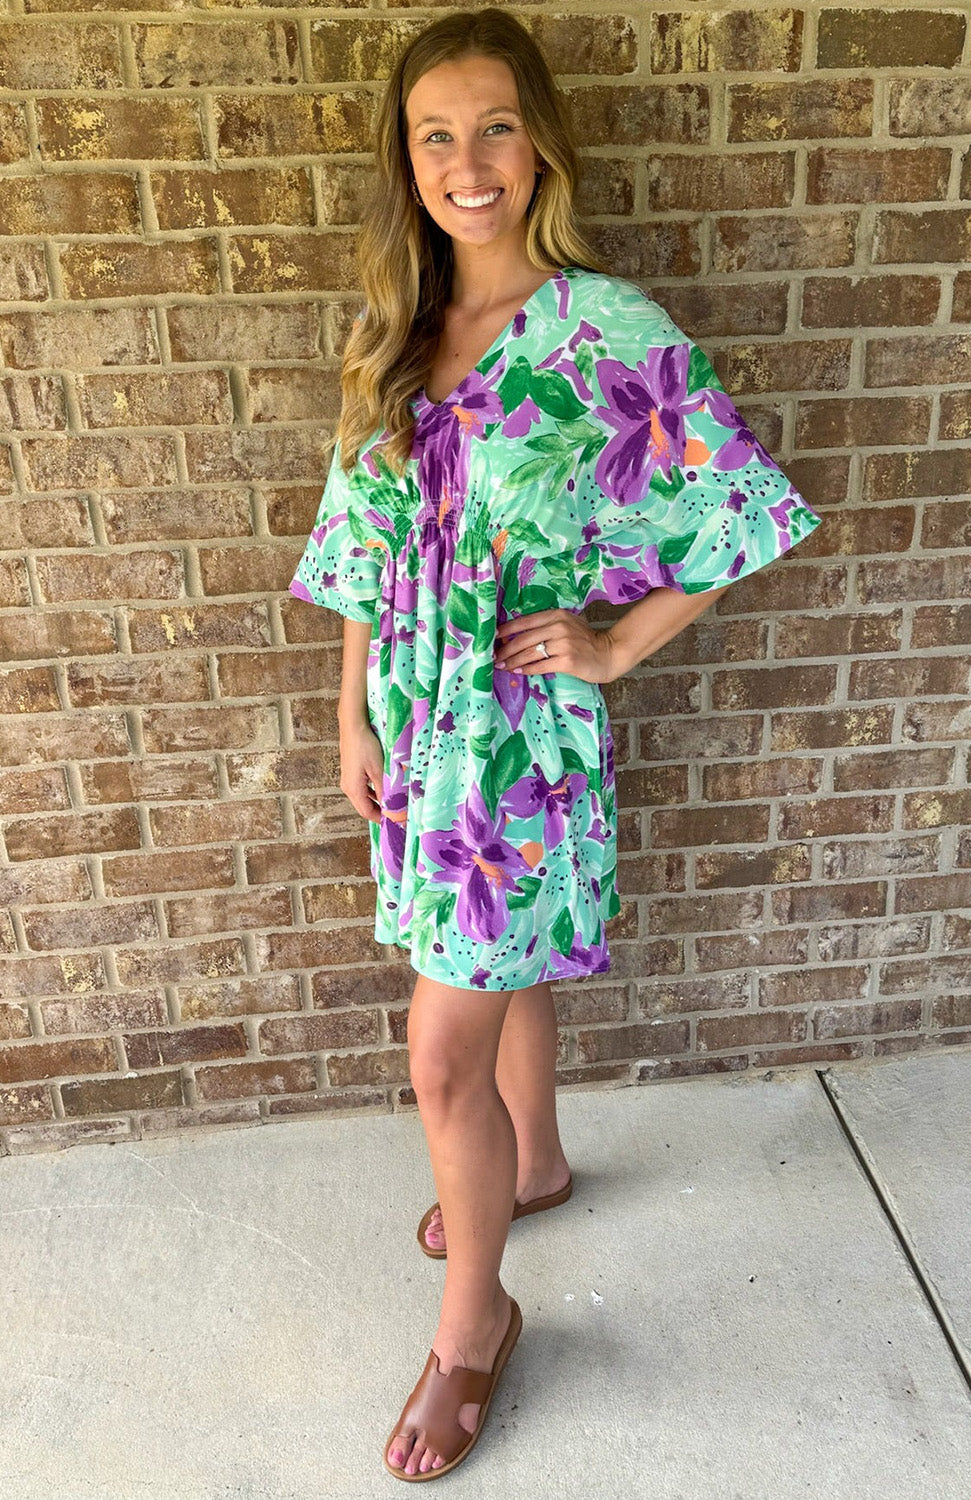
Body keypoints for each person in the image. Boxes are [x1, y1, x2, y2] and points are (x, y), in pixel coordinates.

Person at [289, 7, 823, 1482]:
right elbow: (358, 545)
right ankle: (532, 1165)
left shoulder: (606, 332)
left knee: (437, 1053)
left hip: (518, 742)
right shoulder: (395, 330)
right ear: (406, 161)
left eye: (495, 127)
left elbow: (739, 512)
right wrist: (350, 709)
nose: (467, 162)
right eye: (435, 135)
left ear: (539, 146)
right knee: (495, 970)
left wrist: (614, 645)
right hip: (418, 724)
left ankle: (477, 1323)